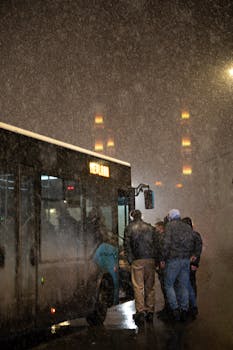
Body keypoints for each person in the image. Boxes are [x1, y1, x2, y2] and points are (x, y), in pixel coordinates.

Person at [124, 209, 159, 325]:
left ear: (132, 217)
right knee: (150, 286)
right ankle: (150, 311)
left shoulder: (129, 228)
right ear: (141, 216)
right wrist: (156, 260)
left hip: (137, 260)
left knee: (138, 287)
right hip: (150, 259)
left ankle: (140, 312)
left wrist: (130, 260)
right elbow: (156, 244)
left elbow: (127, 246)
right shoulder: (150, 228)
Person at [160, 209, 195, 322]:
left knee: (169, 285)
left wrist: (163, 258)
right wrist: (188, 256)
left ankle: (175, 310)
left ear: (170, 217)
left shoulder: (170, 226)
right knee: (184, 285)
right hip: (185, 260)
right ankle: (184, 310)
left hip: (173, 259)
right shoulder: (187, 227)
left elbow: (166, 243)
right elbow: (191, 242)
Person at [182, 217, 202, 318]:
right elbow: (198, 251)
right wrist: (195, 264)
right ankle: (192, 308)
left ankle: (190, 308)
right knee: (191, 285)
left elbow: (197, 250)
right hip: (190, 264)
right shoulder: (195, 235)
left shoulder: (185, 236)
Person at [154, 220, 170, 319]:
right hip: (164, 265)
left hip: (163, 266)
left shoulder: (162, 238)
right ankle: (168, 308)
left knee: (165, 287)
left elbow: (161, 251)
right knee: (165, 287)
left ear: (161, 228)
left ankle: (168, 309)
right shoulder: (165, 237)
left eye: (157, 228)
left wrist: (160, 261)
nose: (156, 230)